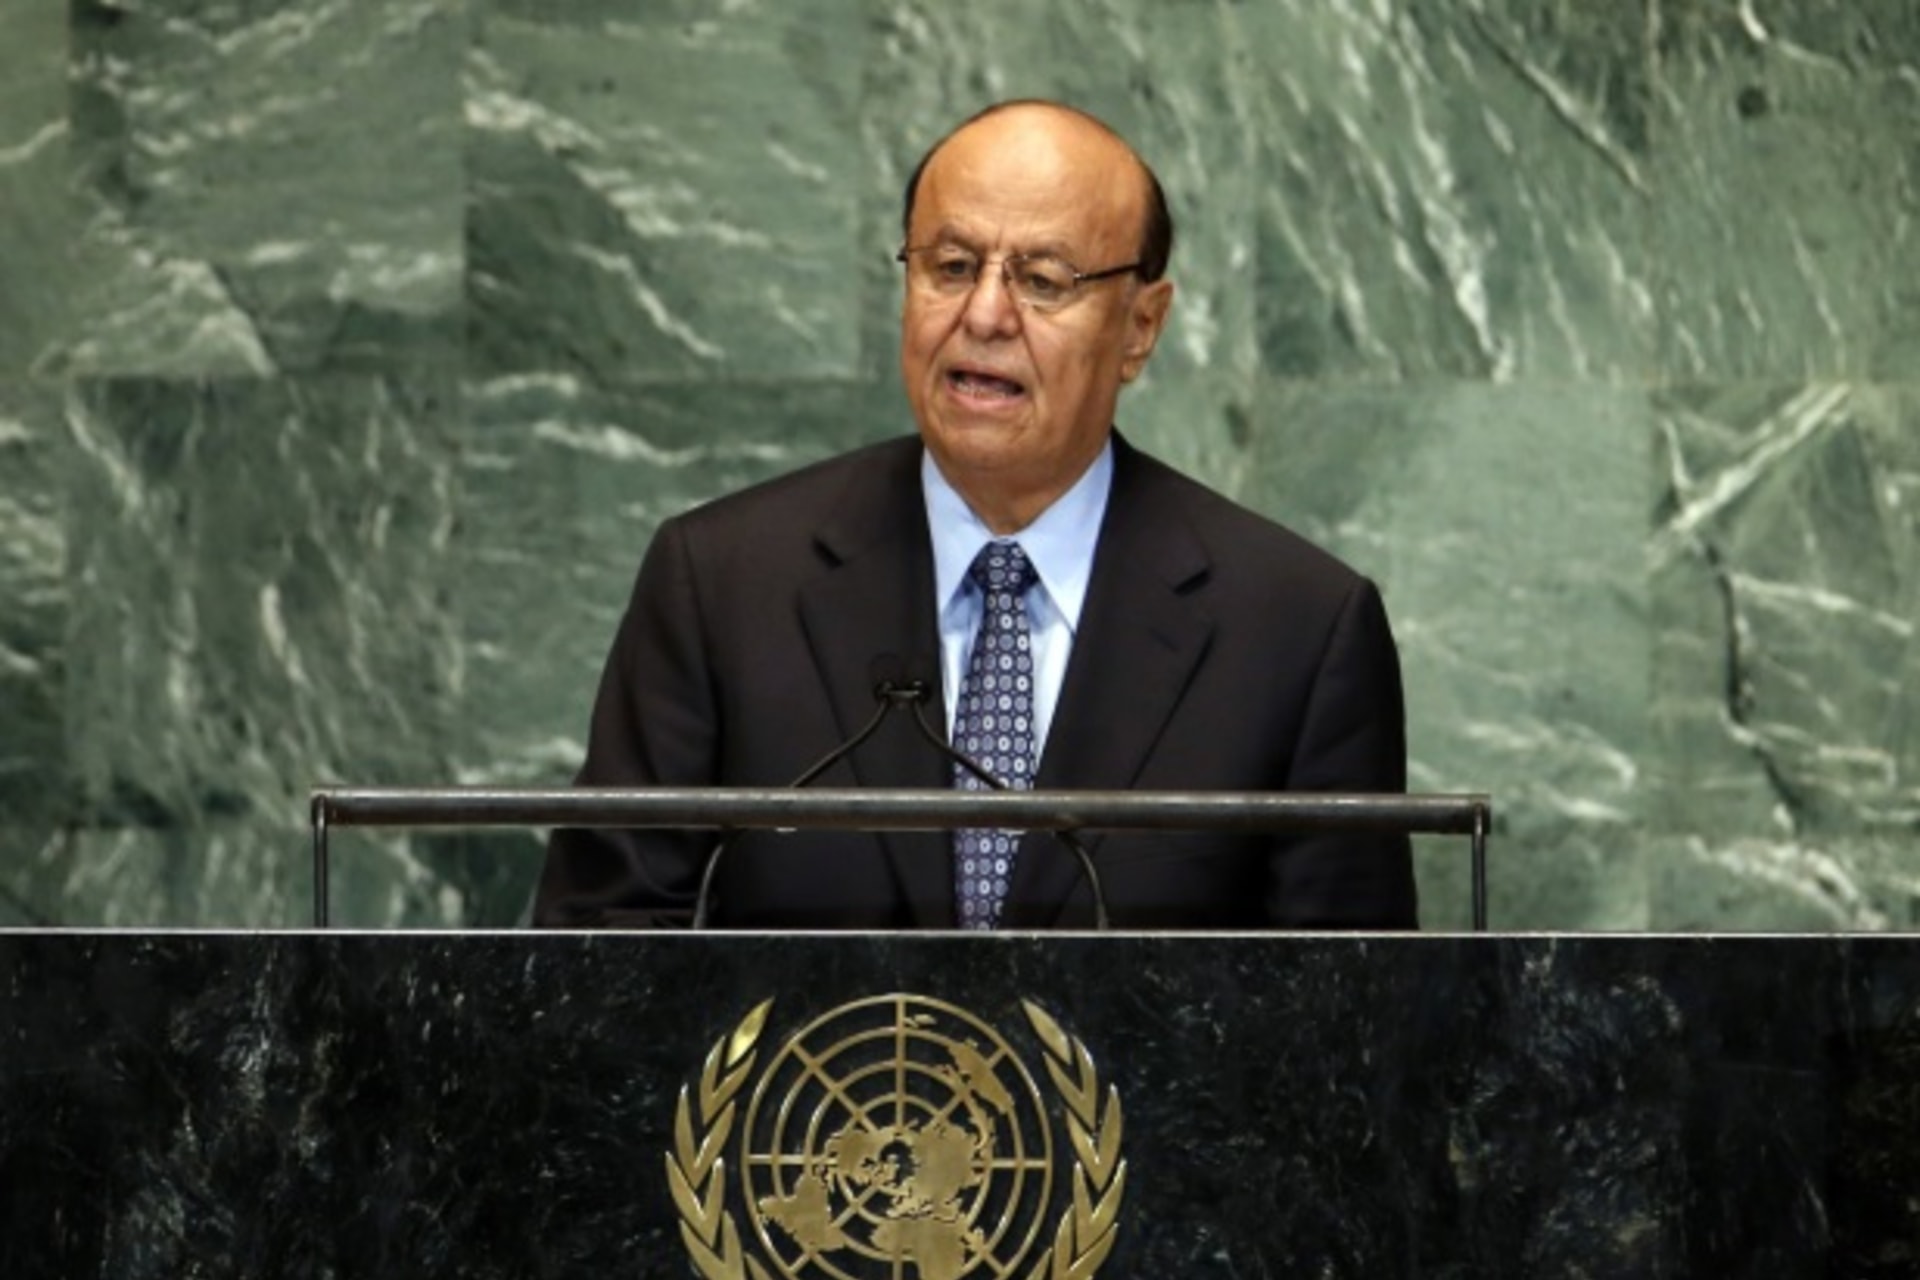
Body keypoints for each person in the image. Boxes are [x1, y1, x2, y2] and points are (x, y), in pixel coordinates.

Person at [533, 100, 1417, 930]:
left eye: (1043, 279)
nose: (984, 315)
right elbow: (600, 957)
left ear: (1141, 327)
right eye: (950, 268)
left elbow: (1349, 1032)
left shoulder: (1299, 632)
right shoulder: (723, 584)